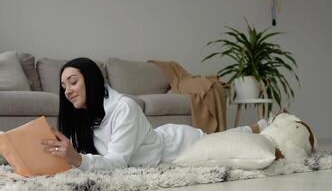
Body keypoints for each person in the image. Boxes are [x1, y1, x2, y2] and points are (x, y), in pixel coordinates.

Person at [41, 57, 268, 171]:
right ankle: (257, 126)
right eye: (63, 86)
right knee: (220, 138)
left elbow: (116, 163)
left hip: (178, 145)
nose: (67, 91)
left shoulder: (124, 107)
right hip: (158, 138)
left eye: (73, 82)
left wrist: (77, 158)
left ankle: (260, 127)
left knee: (221, 141)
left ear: (90, 80)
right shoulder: (83, 116)